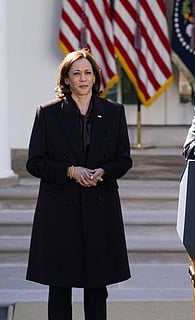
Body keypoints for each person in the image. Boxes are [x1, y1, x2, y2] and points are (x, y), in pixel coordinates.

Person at [26, 49, 132, 320]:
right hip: (60, 210)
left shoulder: (114, 112)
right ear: (66, 79)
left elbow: (124, 160)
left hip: (99, 206)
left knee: (97, 286)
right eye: (77, 73)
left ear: (96, 77)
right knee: (59, 286)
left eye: (88, 73)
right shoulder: (47, 113)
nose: (83, 79)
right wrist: (71, 171)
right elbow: (34, 163)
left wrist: (103, 172)